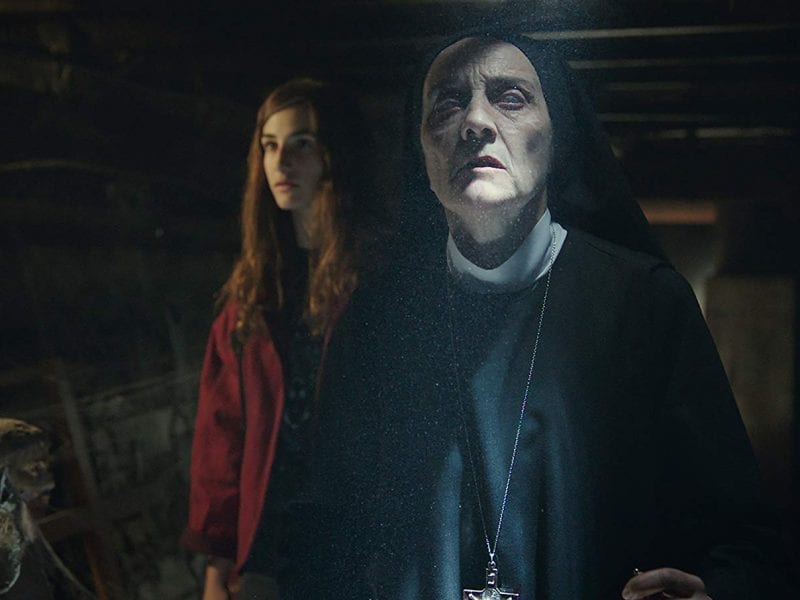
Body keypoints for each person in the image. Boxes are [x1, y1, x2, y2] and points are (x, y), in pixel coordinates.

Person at [304, 31, 796, 599]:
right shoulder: (377, 319)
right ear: (420, 150)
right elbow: (321, 533)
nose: (476, 122)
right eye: (447, 104)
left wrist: (715, 591)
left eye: (510, 98)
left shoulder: (644, 304)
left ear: (558, 138)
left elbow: (746, 542)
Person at [180, 77, 377, 600]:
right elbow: (222, 437)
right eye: (269, 146)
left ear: (334, 153)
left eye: (301, 144)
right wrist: (218, 562)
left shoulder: (376, 284)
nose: (281, 162)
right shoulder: (253, 296)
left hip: (360, 555)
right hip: (269, 551)